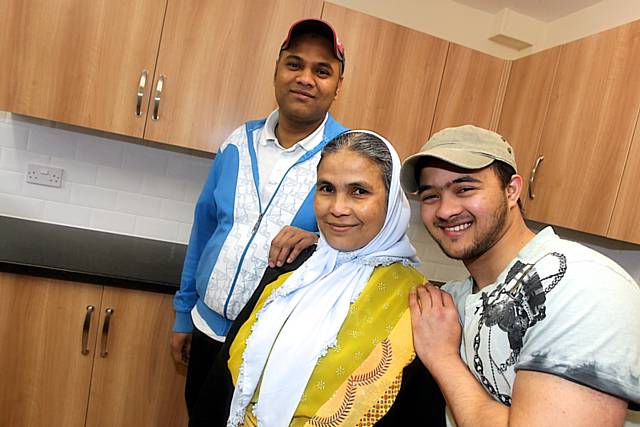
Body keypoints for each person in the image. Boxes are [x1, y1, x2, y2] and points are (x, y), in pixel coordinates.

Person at [189, 131, 445, 426]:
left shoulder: (420, 306)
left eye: (359, 191)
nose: (337, 208)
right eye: (326, 188)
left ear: (392, 202)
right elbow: (222, 382)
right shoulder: (291, 266)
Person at [400, 124, 640, 426]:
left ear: (511, 190)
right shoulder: (452, 301)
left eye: (465, 189)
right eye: (431, 196)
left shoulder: (582, 284)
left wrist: (443, 358)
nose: (446, 210)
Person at [171, 19, 349, 416]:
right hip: (205, 328)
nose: (305, 79)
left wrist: (319, 241)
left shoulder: (348, 158)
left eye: (322, 71)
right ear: (276, 70)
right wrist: (184, 315)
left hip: (273, 349)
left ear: (338, 86)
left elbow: (368, 250)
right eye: (294, 64)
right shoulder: (236, 143)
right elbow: (203, 230)